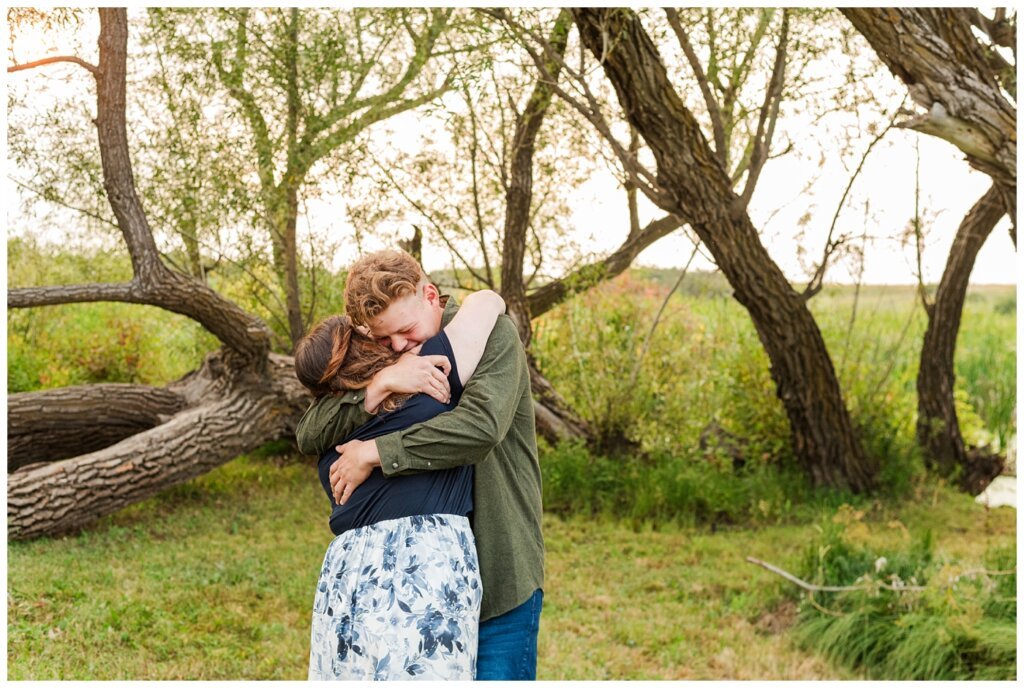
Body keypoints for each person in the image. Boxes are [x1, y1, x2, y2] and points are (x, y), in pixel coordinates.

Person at [296, 249, 545, 681]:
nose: (397, 346)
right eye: (382, 338)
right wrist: (377, 386)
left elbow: (479, 428)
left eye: (405, 331)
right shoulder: (390, 354)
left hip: (497, 560)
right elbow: (310, 430)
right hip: (409, 583)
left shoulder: (488, 334)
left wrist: (373, 453)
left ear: (430, 295)